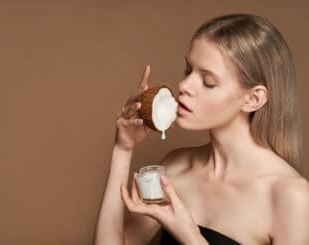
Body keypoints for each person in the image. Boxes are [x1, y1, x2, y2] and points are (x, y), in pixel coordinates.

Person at [93, 13, 309, 245]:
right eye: (188, 70)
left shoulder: (292, 198)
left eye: (208, 81)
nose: (184, 86)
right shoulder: (176, 167)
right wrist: (123, 149)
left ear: (253, 98)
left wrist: (190, 237)